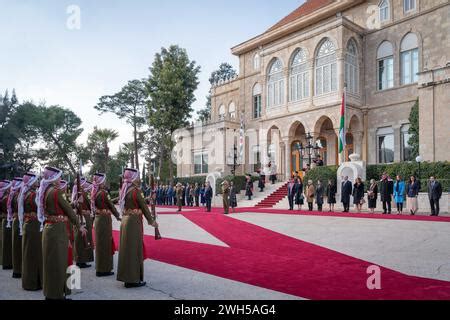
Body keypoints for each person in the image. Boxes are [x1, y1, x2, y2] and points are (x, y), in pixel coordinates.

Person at [38, 166, 87, 300]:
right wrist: (79, 225)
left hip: (49, 228)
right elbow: (69, 211)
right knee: (59, 263)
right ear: (54, 178)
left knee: (51, 263)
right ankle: (57, 295)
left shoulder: (46, 190)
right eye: (59, 177)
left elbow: (61, 208)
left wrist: (75, 202)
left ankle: (51, 293)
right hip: (58, 230)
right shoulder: (56, 192)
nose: (60, 179)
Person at [117, 168, 158, 288]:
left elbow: (134, 202)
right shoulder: (135, 190)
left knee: (127, 250)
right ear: (134, 178)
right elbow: (144, 207)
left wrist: (147, 199)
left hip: (126, 221)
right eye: (138, 177)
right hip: (134, 223)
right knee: (134, 250)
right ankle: (133, 280)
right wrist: (151, 221)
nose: (139, 179)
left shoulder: (125, 188)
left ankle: (127, 277)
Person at [91, 173, 122, 277]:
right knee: (105, 245)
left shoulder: (95, 192)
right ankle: (104, 269)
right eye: (104, 180)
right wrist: (117, 215)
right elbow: (110, 205)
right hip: (104, 220)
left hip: (99, 219)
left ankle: (100, 268)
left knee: (100, 244)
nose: (105, 182)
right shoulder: (103, 193)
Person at [18, 172, 42, 291]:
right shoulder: (33, 195)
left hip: (28, 224)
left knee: (28, 254)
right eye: (36, 180)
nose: (38, 182)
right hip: (34, 226)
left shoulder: (25, 193)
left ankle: (28, 282)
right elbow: (41, 207)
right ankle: (33, 283)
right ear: (32, 182)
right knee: (34, 255)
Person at [71, 178, 94, 269]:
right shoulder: (81, 193)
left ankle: (82, 259)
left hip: (83, 216)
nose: (86, 184)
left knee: (83, 239)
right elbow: (75, 205)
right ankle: (80, 260)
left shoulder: (81, 193)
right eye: (84, 183)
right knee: (81, 240)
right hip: (82, 217)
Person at [7, 177, 24, 279]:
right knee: (18, 247)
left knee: (16, 246)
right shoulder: (19, 195)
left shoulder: (13, 195)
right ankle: (19, 270)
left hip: (16, 220)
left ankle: (17, 270)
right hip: (19, 221)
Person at [1, 180, 13, 270]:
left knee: (6, 242)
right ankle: (7, 262)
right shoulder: (6, 197)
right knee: (7, 243)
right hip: (8, 220)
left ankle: (5, 261)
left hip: (6, 219)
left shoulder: (4, 196)